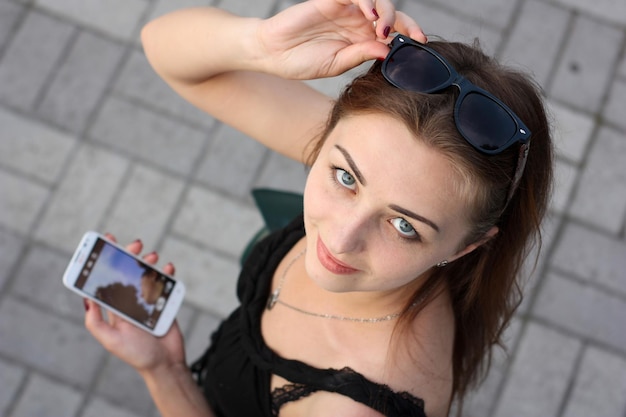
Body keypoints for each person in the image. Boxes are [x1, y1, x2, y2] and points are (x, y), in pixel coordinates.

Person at [82, 1, 553, 416]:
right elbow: (164, 48)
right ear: (327, 134)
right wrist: (262, 43)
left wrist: (165, 377)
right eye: (345, 178)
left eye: (404, 226)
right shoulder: (388, 156)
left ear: (468, 246)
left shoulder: (352, 407)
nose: (341, 237)